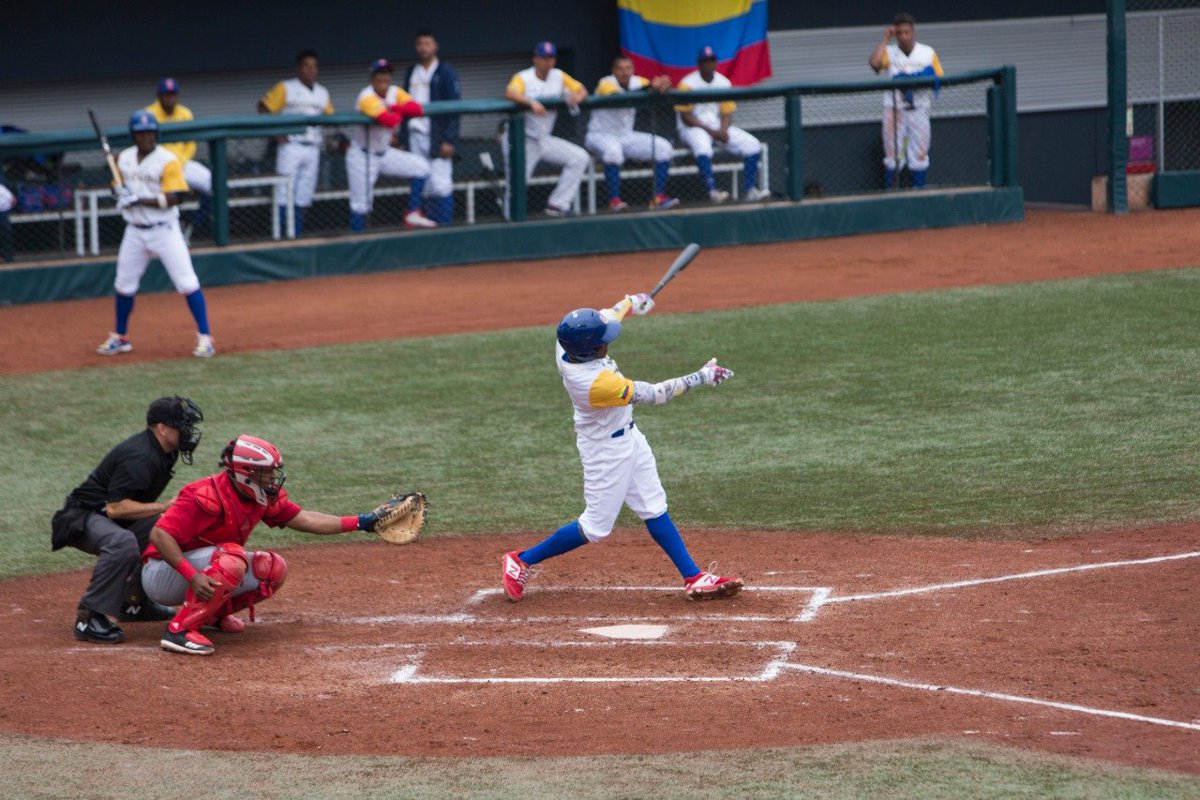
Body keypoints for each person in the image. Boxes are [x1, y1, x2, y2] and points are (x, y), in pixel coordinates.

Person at [501, 293, 742, 603]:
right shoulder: (595, 384)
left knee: (654, 506)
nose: (608, 343)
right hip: (605, 452)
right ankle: (521, 560)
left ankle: (694, 577)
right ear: (590, 350)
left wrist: (631, 301)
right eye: (603, 342)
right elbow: (656, 393)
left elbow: (607, 315)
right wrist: (702, 376)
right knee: (596, 527)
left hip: (630, 438)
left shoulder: (566, 343)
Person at [141, 434, 399, 655]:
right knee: (232, 557)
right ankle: (180, 630)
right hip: (162, 573)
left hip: (199, 568)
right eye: (266, 473)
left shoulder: (259, 497)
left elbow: (306, 519)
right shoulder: (204, 495)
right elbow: (160, 536)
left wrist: (363, 522)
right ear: (246, 474)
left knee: (272, 568)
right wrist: (193, 576)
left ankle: (211, 616)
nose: (272, 479)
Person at [50, 396, 204, 644]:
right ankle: (89, 616)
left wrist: (164, 513)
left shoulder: (166, 451)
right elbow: (115, 508)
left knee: (167, 529)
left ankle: (133, 602)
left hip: (105, 516)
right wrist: (164, 506)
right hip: (82, 518)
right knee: (122, 542)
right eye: (183, 426)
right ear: (163, 428)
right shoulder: (141, 455)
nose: (189, 432)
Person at [97, 111, 215, 358]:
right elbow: (115, 186)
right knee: (124, 285)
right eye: (141, 133)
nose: (146, 137)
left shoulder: (167, 160)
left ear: (156, 134)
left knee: (187, 282)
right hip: (135, 232)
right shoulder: (124, 158)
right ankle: (121, 337)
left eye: (150, 132)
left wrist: (139, 199)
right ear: (134, 135)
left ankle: (205, 338)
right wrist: (117, 191)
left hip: (165, 231)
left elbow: (176, 198)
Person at [347, 58, 438, 232]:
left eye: (386, 74)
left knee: (422, 167)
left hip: (385, 153)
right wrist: (397, 110)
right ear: (372, 78)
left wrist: (393, 106)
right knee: (360, 205)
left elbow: (417, 109)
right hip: (362, 156)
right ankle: (357, 240)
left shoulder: (394, 92)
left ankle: (412, 212)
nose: (383, 78)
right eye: (379, 74)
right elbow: (389, 121)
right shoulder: (366, 96)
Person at [503, 41, 590, 218]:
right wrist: (530, 102)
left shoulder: (559, 76)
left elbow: (581, 89)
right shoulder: (523, 77)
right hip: (521, 141)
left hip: (543, 139)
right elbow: (510, 93)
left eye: (551, 58)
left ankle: (557, 204)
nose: (548, 62)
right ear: (535, 58)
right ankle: (510, 219)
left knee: (580, 158)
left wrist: (577, 96)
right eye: (544, 57)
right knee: (518, 184)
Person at [675, 46, 770, 204]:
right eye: (705, 60)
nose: (708, 63)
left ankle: (749, 190)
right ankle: (713, 191)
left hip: (716, 126)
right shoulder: (687, 83)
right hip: (691, 128)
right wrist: (712, 132)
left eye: (712, 60)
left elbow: (727, 113)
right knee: (703, 147)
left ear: (716, 62)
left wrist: (723, 130)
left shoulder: (723, 82)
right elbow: (686, 117)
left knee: (752, 144)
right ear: (699, 63)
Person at [586, 55, 680, 212]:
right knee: (613, 152)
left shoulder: (639, 81)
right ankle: (614, 201)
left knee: (663, 147)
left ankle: (658, 197)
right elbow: (619, 98)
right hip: (599, 135)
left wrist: (662, 85)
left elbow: (653, 87)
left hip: (625, 135)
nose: (624, 72)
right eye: (620, 68)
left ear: (633, 70)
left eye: (628, 68)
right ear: (613, 70)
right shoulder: (606, 82)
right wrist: (650, 86)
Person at [257, 49, 334, 235]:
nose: (311, 70)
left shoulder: (322, 92)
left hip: (313, 147)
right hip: (290, 146)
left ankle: (296, 233)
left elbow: (331, 117)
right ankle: (280, 234)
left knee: (304, 195)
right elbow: (263, 107)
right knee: (283, 192)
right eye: (307, 66)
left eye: (314, 66)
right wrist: (275, 133)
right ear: (299, 68)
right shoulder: (286, 87)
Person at [868, 12, 944, 189]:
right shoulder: (890, 52)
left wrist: (918, 78)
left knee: (920, 154)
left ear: (913, 32)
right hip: (895, 110)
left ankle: (919, 194)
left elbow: (939, 76)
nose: (903, 36)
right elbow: (874, 64)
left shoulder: (927, 52)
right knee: (893, 156)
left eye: (907, 32)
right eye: (900, 33)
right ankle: (892, 195)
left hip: (919, 109)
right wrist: (886, 39)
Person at [403, 30, 461, 225]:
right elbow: (404, 104)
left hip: (437, 135)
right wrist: (403, 136)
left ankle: (444, 227)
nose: (423, 48)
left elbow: (455, 108)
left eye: (427, 44)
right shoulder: (412, 71)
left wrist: (449, 139)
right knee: (423, 183)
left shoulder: (445, 71)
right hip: (415, 132)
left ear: (435, 46)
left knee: (441, 183)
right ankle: (427, 226)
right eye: (420, 44)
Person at [146, 78, 212, 238]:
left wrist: (181, 161)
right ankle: (171, 231)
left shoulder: (185, 113)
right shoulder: (149, 114)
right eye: (166, 95)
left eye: (173, 94)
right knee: (169, 196)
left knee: (214, 182)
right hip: (159, 167)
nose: (170, 98)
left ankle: (192, 224)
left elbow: (191, 144)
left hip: (182, 164)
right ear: (159, 95)